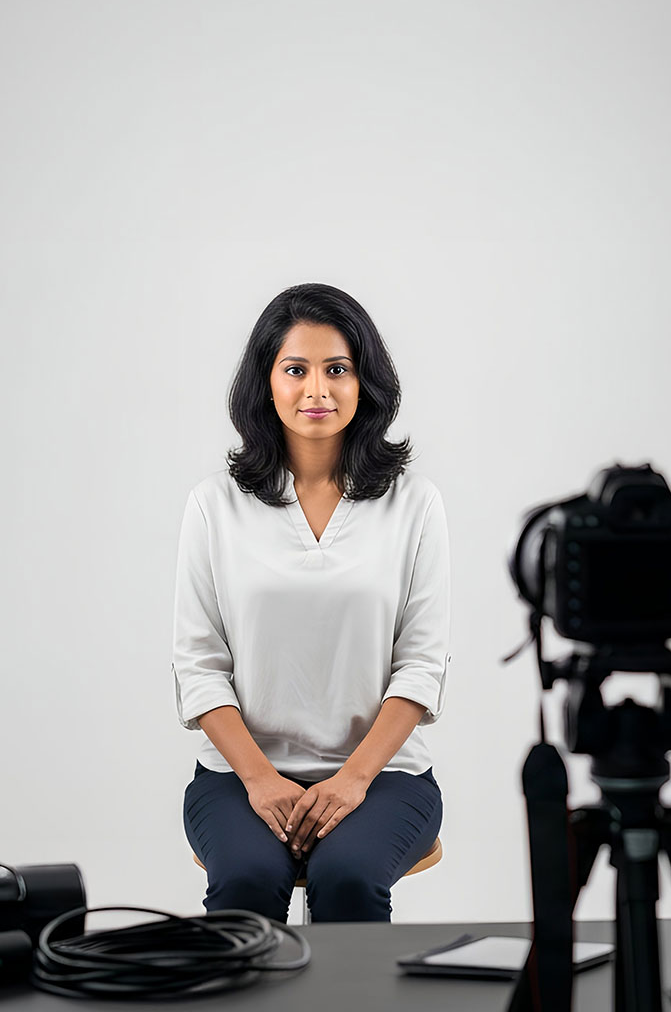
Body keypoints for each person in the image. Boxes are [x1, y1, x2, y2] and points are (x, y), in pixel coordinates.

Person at [172, 283, 447, 923]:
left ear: (365, 383)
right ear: (266, 382)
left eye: (337, 370)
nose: (316, 391)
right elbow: (198, 666)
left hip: (385, 776)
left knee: (348, 878)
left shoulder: (415, 504)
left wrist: (352, 781)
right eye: (295, 369)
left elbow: (422, 664)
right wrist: (261, 780)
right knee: (243, 880)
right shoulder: (214, 505)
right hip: (237, 776)